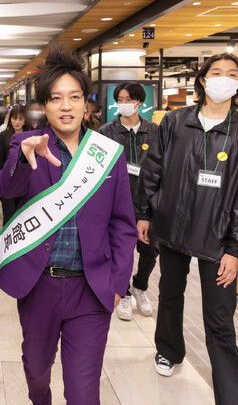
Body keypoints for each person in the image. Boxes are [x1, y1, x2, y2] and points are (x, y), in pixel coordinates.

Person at [0, 45, 137, 404]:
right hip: (39, 284)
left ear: (86, 104)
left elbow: (123, 222)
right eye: (56, 98)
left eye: (74, 97)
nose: (66, 106)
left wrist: (119, 281)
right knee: (37, 370)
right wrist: (24, 161)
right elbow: (4, 187)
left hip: (91, 286)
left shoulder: (107, 153)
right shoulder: (27, 142)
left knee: (83, 392)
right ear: (45, 105)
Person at [135, 52, 238, 404]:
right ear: (202, 79)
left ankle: (232, 395)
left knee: (219, 316)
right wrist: (144, 212)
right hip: (172, 227)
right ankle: (169, 349)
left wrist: (235, 248)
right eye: (216, 72)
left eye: (232, 74)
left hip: (218, 237)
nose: (224, 78)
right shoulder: (173, 121)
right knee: (170, 293)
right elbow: (152, 168)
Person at [99, 82, 159, 321]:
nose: (124, 104)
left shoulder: (154, 131)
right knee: (121, 252)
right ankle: (122, 292)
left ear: (139, 102)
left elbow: (160, 168)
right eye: (120, 99)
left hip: (148, 204)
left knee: (149, 251)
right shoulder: (106, 131)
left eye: (129, 99)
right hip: (117, 203)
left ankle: (140, 286)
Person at [0, 104, 29, 226]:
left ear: (25, 119)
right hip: (8, 180)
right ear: (10, 119)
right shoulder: (4, 135)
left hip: (26, 182)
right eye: (14, 118)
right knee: (9, 215)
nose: (17, 122)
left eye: (20, 119)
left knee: (23, 214)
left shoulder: (31, 135)